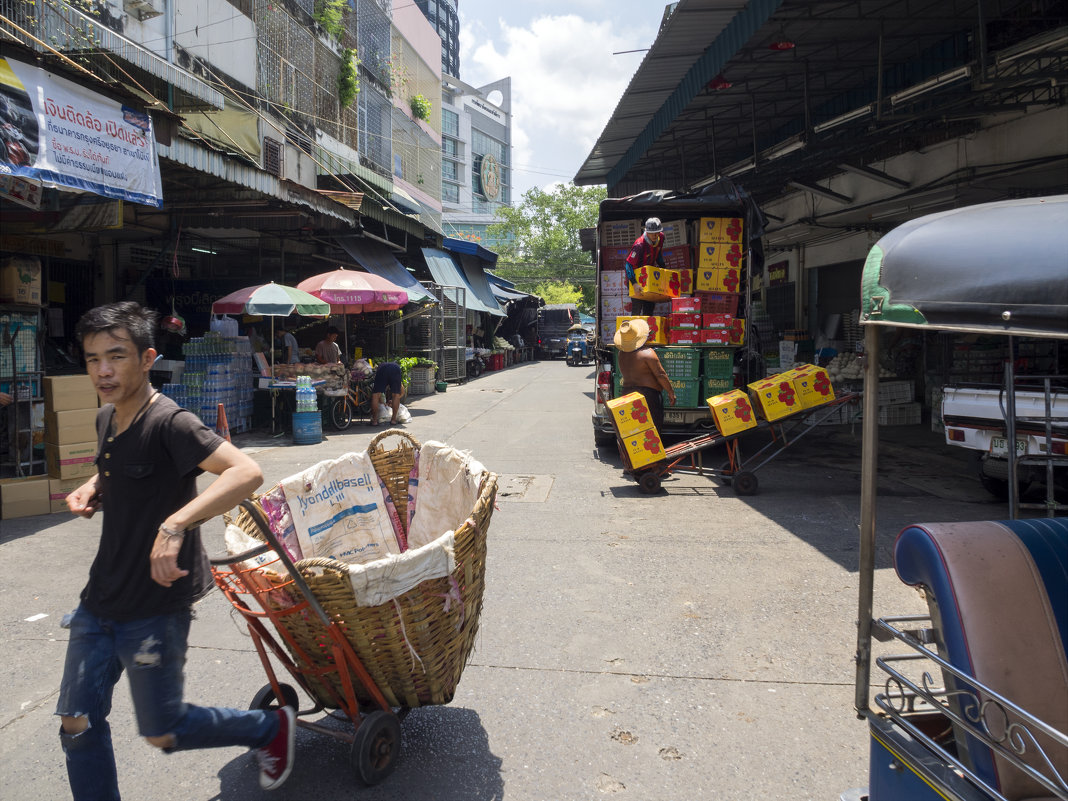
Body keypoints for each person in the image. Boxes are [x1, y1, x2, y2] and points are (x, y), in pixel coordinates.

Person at [56, 302, 295, 800]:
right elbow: (119, 466)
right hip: (99, 600)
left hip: (155, 606)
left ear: (147, 358)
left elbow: (245, 472)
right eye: (93, 358)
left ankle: (268, 729)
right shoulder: (107, 417)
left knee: (163, 731)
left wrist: (175, 523)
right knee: (77, 723)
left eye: (116, 356)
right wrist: (93, 484)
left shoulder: (171, 422)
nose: (103, 370)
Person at [615, 318, 675, 432]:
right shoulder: (647, 353)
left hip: (627, 392)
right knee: (652, 429)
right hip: (648, 395)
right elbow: (660, 374)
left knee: (633, 430)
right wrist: (670, 392)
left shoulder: (621, 354)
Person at [625, 217, 668, 316]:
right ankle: (635, 330)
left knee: (649, 306)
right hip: (635, 276)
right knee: (637, 306)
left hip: (649, 276)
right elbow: (628, 265)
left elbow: (658, 254)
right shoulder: (639, 245)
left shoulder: (661, 237)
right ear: (646, 231)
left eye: (657, 232)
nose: (655, 235)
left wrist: (664, 270)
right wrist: (634, 284)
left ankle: (647, 330)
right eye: (652, 233)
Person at [370, 361, 403, 426]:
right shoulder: (395, 366)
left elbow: (378, 393)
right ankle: (393, 420)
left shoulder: (380, 368)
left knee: (376, 395)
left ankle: (374, 421)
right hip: (396, 369)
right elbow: (401, 391)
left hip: (383, 370)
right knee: (396, 395)